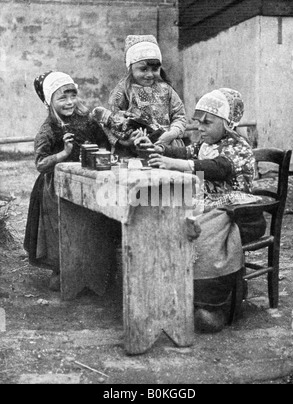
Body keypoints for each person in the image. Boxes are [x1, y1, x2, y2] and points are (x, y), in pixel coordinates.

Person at [135, 88, 267, 333]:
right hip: (212, 208)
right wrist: (158, 149)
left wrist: (174, 164)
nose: (200, 128)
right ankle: (183, 293)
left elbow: (217, 168)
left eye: (208, 123)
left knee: (201, 236)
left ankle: (214, 305)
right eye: (198, 122)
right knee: (173, 221)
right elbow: (182, 151)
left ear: (227, 124)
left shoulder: (237, 147)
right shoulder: (205, 144)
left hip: (241, 214)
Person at [24, 71, 110, 291]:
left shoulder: (87, 120)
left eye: (72, 95)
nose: (70, 102)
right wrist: (64, 153)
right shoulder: (48, 129)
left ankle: (92, 272)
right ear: (50, 101)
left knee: (89, 224)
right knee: (62, 228)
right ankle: (62, 269)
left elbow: (104, 144)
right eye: (62, 98)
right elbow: (41, 164)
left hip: (86, 180)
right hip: (55, 187)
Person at [91, 34, 187, 158]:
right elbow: (109, 123)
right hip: (134, 150)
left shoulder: (167, 90)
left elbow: (180, 116)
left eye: (155, 69)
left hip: (167, 147)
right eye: (143, 69)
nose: (150, 74)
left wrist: (172, 133)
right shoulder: (122, 91)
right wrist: (124, 140)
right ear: (130, 68)